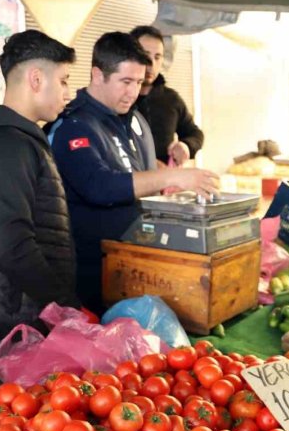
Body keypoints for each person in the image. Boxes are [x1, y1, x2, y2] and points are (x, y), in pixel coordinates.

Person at [48, 32, 219, 311]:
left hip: (138, 265)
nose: (133, 92)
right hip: (93, 275)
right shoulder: (73, 125)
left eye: (139, 82)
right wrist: (172, 176)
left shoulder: (135, 118)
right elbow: (99, 186)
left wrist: (168, 187)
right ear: (97, 74)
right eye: (125, 82)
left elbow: (143, 179)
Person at [0, 30, 80, 339]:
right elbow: (12, 248)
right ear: (36, 79)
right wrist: (64, 307)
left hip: (25, 317)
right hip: (17, 327)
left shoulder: (14, 140)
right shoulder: (8, 145)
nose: (68, 93)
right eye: (63, 80)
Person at [129, 25, 204, 166]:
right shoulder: (117, 100)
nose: (151, 64)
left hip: (166, 184)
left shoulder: (171, 99)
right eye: (145, 55)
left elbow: (195, 133)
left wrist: (186, 146)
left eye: (157, 57)